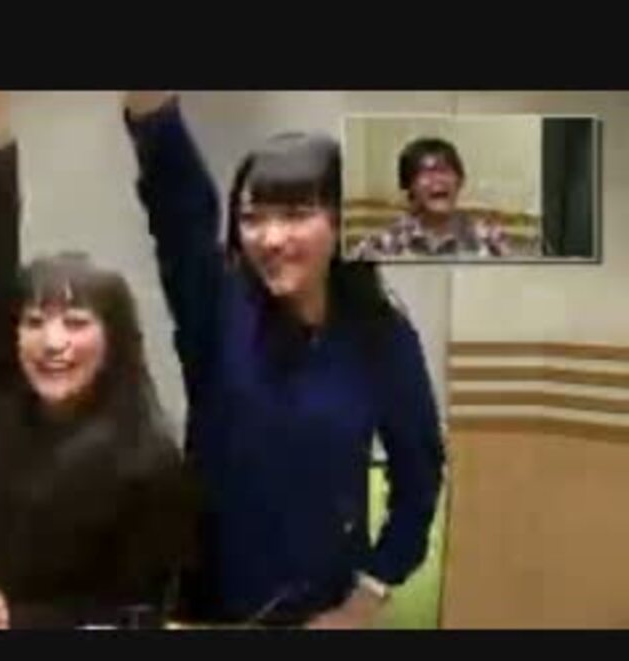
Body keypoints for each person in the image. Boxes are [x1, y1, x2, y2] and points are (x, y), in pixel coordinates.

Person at [122, 92, 445, 629]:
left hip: (317, 610)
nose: (271, 238)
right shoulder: (216, 308)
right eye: (252, 218)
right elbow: (178, 204)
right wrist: (152, 111)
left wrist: (363, 601)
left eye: (296, 215)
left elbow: (419, 479)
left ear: (342, 222)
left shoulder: (382, 339)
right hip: (201, 608)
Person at [0, 91, 198, 630]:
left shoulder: (147, 461)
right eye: (35, 322)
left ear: (115, 340)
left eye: (76, 323)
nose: (52, 342)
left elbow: (139, 610)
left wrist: (22, 619)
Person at [350, 136, 511, 260]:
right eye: (426, 173)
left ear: (460, 181)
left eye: (444, 170)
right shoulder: (385, 243)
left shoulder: (489, 239)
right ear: (409, 185)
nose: (437, 180)